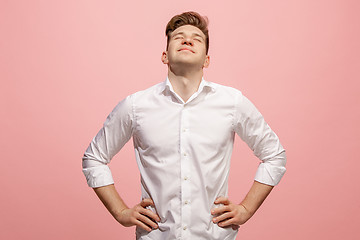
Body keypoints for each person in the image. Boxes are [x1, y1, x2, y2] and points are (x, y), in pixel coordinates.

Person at [82, 11, 286, 240]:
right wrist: (120, 212)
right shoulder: (136, 106)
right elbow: (94, 158)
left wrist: (247, 208)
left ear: (207, 60)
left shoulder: (232, 102)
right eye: (179, 36)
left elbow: (274, 155)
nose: (187, 40)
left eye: (196, 38)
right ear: (164, 56)